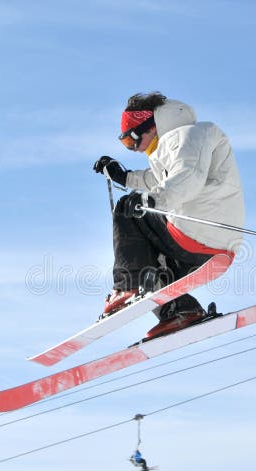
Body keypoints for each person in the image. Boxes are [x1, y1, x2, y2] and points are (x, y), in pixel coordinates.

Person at [93, 92, 245, 339]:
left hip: (201, 228)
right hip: (207, 240)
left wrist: (150, 200)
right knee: (151, 267)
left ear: (149, 126)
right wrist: (124, 177)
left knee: (125, 211)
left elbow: (187, 177)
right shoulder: (173, 147)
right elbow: (159, 179)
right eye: (126, 145)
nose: (133, 149)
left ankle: (125, 285)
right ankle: (180, 311)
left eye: (131, 141)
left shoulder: (189, 135)